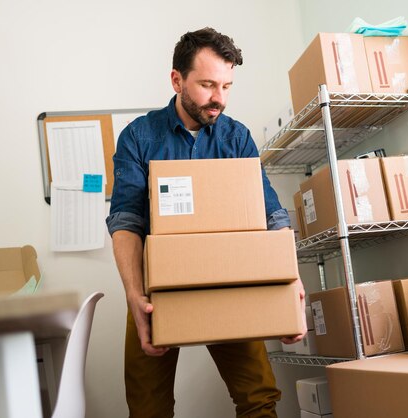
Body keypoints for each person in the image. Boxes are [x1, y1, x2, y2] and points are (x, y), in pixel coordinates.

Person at [106, 27, 306, 418]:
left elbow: (272, 214)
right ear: (177, 79)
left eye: (228, 86)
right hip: (158, 288)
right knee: (147, 407)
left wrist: (290, 282)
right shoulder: (139, 137)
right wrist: (134, 295)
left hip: (228, 280)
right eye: (208, 84)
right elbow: (126, 221)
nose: (219, 98)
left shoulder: (236, 139)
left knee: (260, 398)